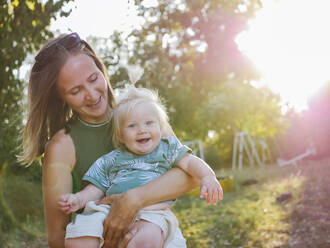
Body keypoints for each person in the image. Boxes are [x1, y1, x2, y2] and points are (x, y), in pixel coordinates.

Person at [18, 32, 199, 248]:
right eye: (76, 91)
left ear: (101, 69)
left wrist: (133, 199)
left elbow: (191, 175)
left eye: (94, 79)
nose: (92, 95)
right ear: (60, 97)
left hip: (150, 234)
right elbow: (57, 236)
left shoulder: (139, 112)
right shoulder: (61, 146)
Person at [58, 86, 223, 248]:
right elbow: (96, 189)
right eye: (132, 126)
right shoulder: (111, 159)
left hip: (152, 213)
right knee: (78, 239)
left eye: (149, 123)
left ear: (160, 127)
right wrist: (78, 199)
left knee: (147, 240)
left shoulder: (167, 148)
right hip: (111, 210)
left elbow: (190, 162)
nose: (142, 130)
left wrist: (207, 176)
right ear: (120, 135)